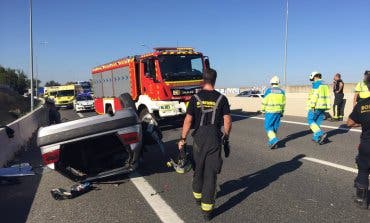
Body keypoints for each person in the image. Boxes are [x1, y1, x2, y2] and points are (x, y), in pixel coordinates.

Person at [178, 68, 232, 221]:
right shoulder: (222, 99)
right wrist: (226, 137)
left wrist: (182, 139)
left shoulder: (195, 98)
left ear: (203, 80)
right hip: (214, 138)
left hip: (199, 139)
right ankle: (207, 211)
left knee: (198, 169)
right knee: (210, 174)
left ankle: (198, 197)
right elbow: (227, 121)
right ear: (215, 80)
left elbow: (188, 120)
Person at [347, 85, 370, 209]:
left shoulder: (362, 104)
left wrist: (362, 122)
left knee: (363, 169)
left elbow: (349, 122)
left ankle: (361, 200)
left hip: (367, 144)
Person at [261, 75, 286, 149]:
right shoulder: (282, 92)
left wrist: (263, 110)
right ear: (278, 83)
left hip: (270, 112)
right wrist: (282, 112)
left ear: (271, 83)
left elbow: (264, 101)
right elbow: (283, 103)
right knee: (274, 127)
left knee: (268, 127)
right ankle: (272, 142)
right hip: (278, 112)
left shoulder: (269, 91)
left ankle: (274, 139)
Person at [307, 71, 331, 144]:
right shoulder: (325, 84)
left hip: (316, 106)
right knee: (317, 122)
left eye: (312, 79)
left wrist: (312, 106)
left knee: (310, 120)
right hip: (323, 106)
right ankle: (316, 138)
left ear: (315, 77)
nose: (312, 81)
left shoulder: (316, 84)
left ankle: (320, 134)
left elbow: (315, 96)